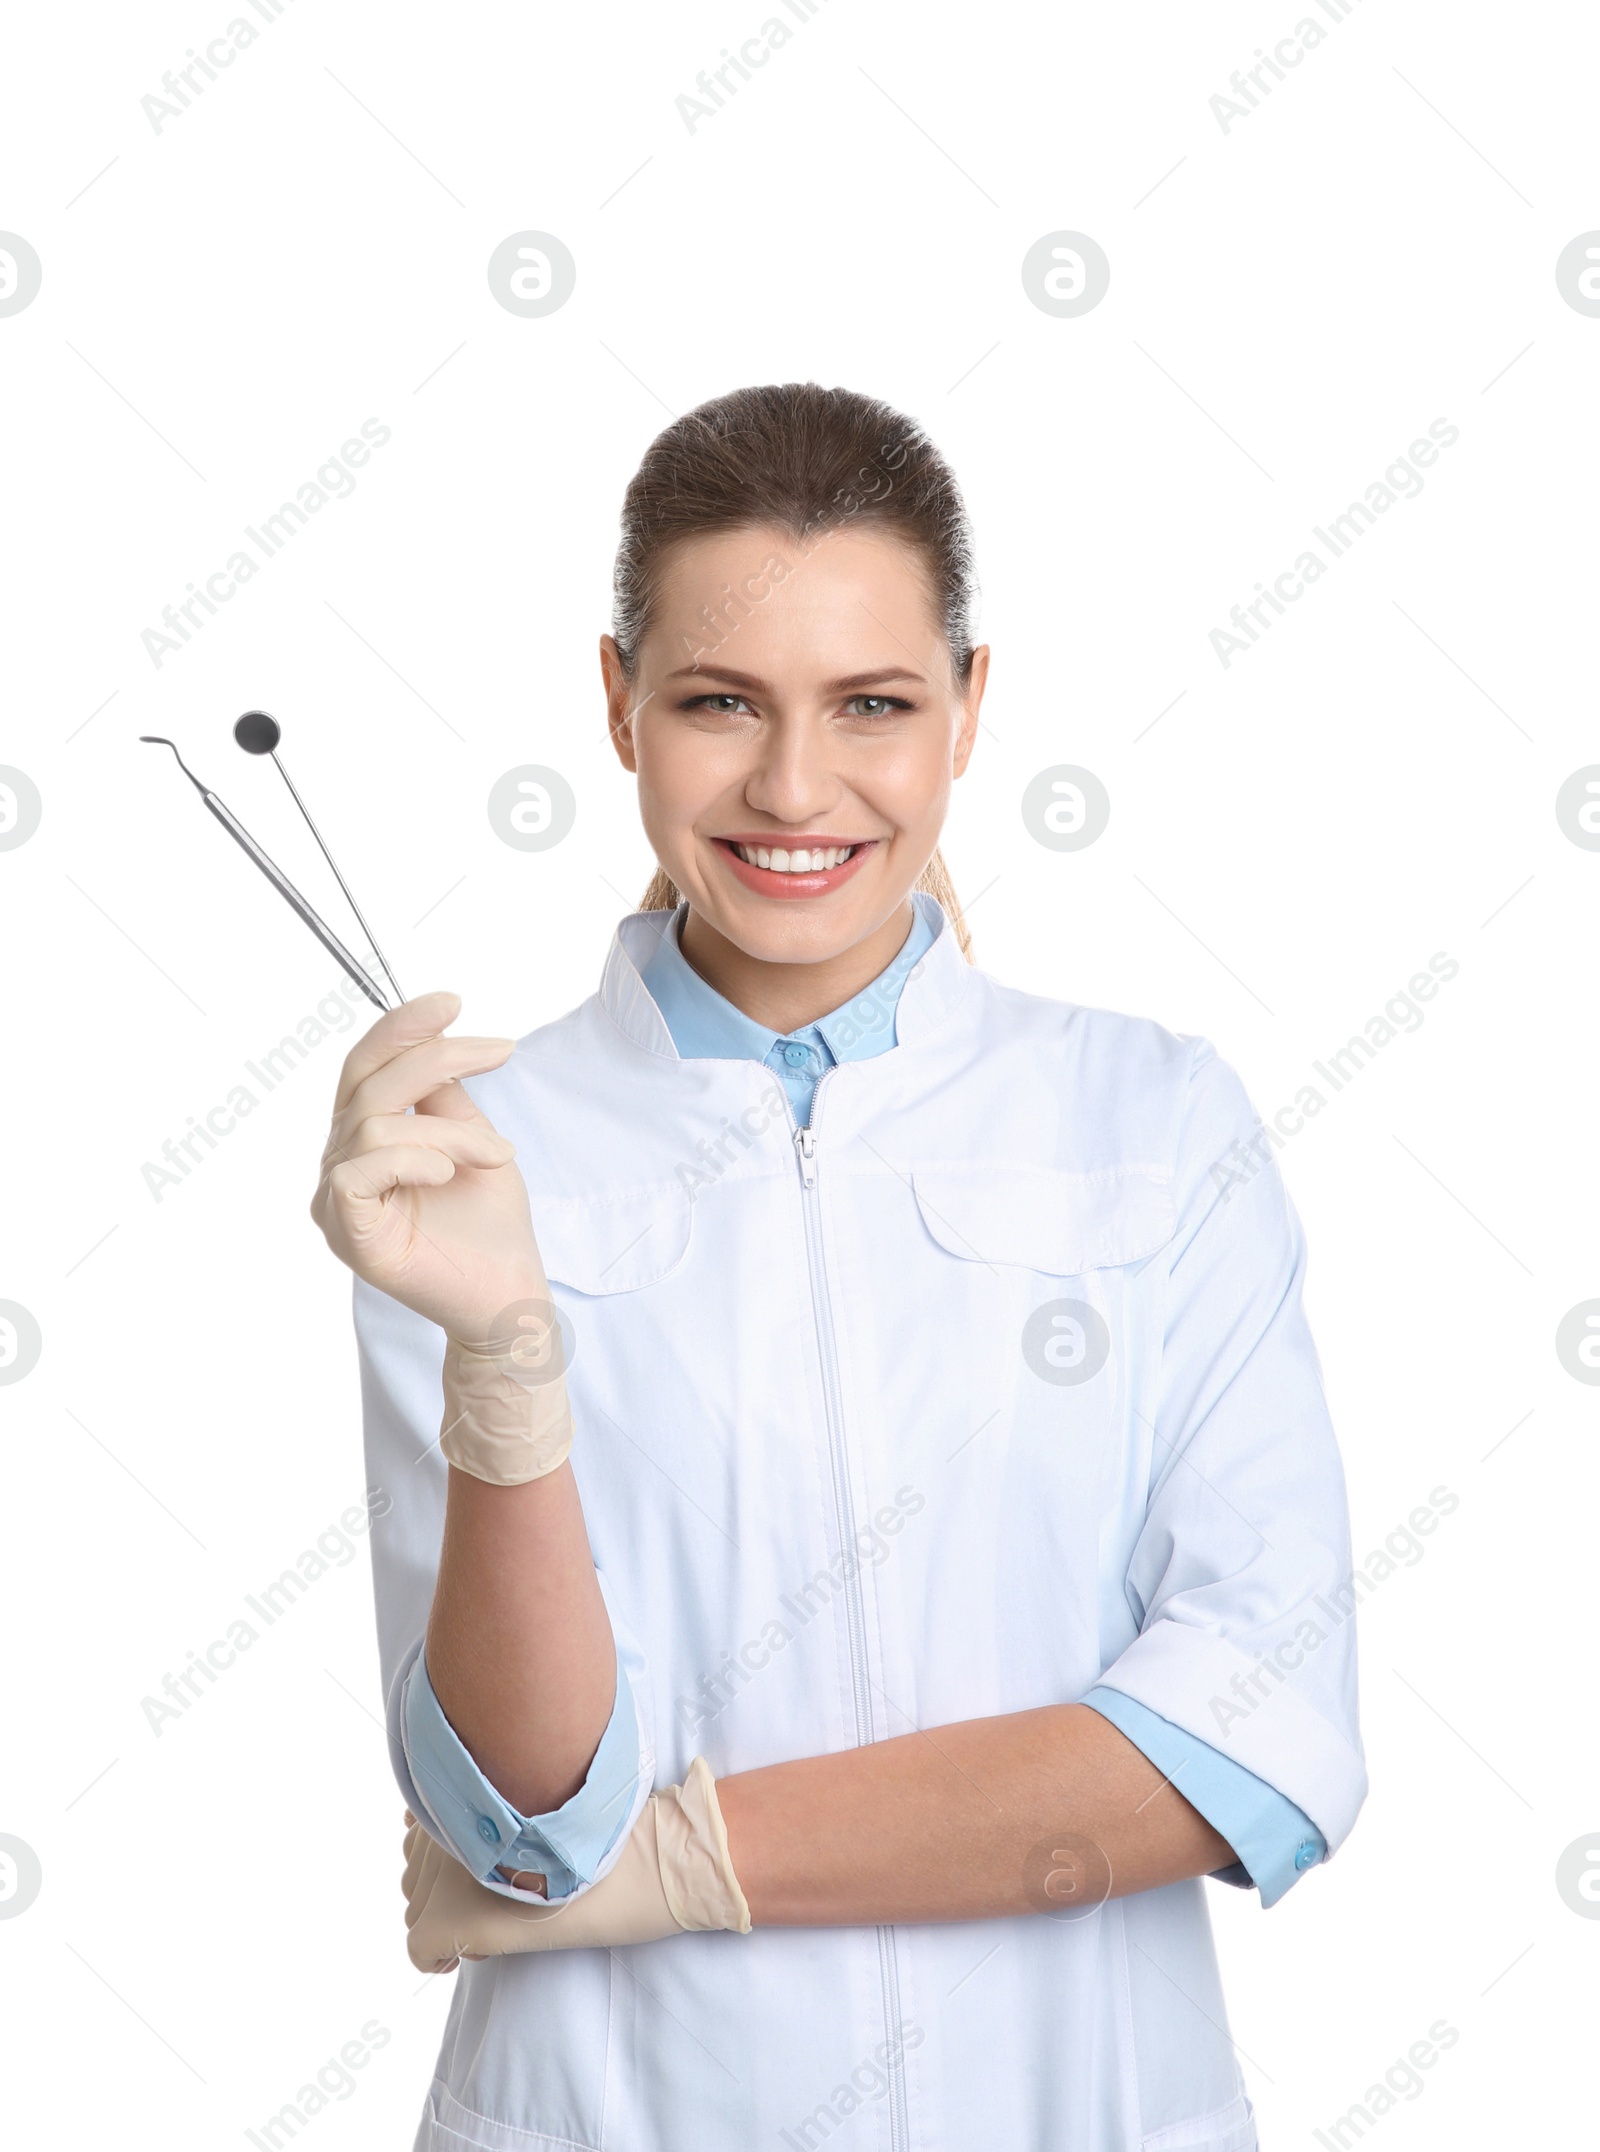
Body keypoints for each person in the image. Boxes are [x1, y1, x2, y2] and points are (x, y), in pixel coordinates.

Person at [313, 383, 1366, 2152]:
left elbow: (1257, 1737)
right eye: (720, 703)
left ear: (968, 709)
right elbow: (524, 1825)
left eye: (872, 704)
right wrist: (502, 1348)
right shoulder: (476, 1161)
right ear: (617, 706)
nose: (796, 789)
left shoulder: (1152, 1119)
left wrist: (684, 1864)